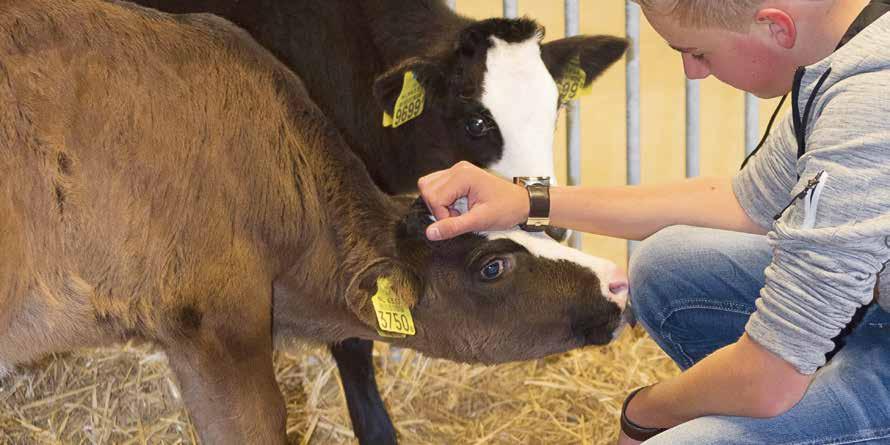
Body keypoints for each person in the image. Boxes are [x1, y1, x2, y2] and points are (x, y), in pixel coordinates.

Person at [417, 0, 890, 443]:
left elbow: (772, 377)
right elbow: (744, 202)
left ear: (774, 26)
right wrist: (527, 201)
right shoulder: (852, 42)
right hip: (877, 308)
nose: (693, 72)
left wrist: (645, 412)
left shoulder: (867, 103)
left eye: (697, 52)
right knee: (667, 264)